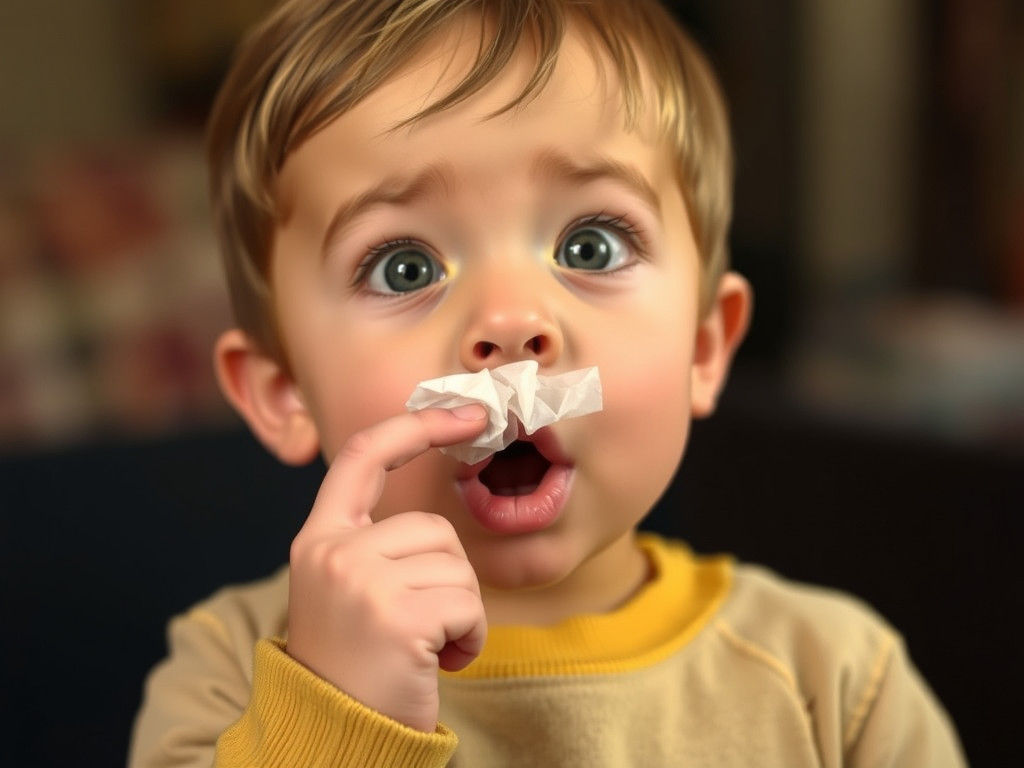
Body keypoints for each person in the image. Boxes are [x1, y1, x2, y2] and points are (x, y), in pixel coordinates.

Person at [129, 0, 966, 765]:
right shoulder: (229, 669)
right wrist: (335, 718)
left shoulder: (836, 682)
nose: (509, 322)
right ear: (283, 391)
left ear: (705, 348)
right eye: (404, 266)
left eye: (589, 247)